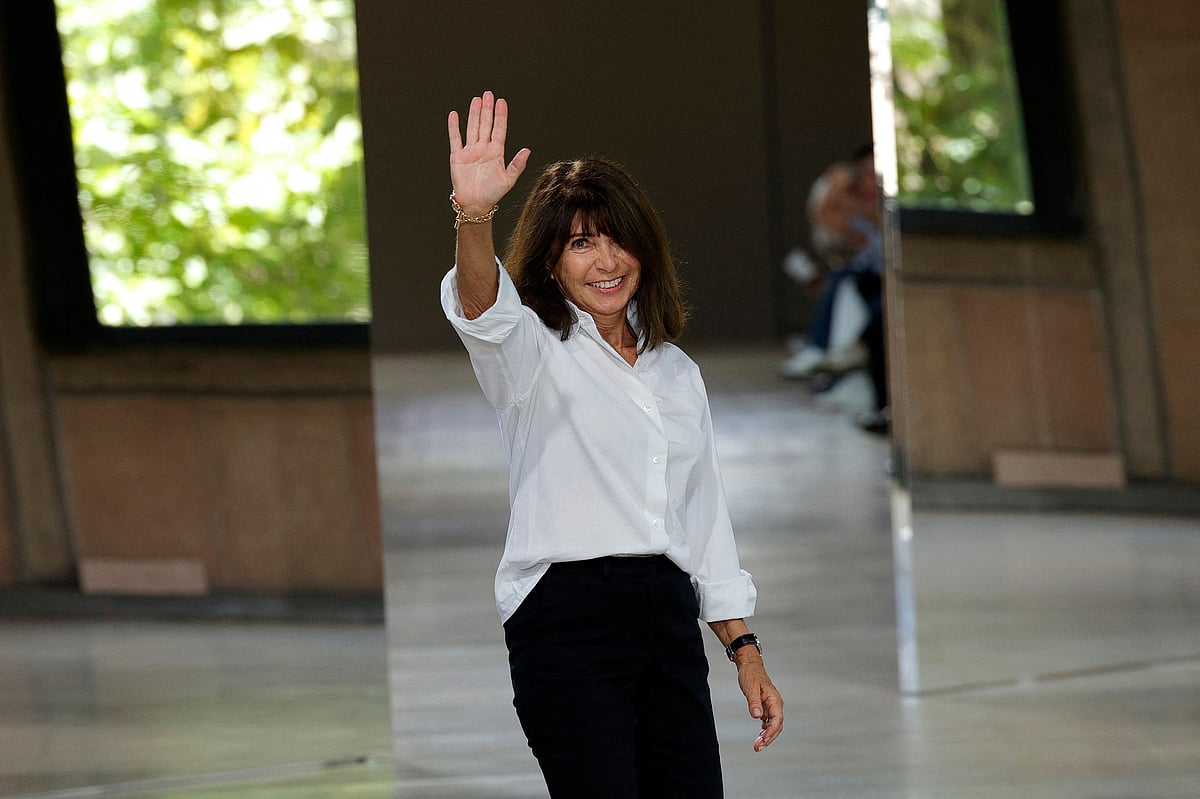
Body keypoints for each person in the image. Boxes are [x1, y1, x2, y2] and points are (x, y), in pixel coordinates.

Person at [440, 91, 784, 798]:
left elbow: (704, 516)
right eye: (580, 241)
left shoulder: (676, 371)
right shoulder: (531, 351)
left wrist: (744, 649)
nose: (605, 260)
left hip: (665, 618)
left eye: (616, 238)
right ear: (553, 260)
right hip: (564, 621)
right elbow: (482, 307)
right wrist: (474, 214)